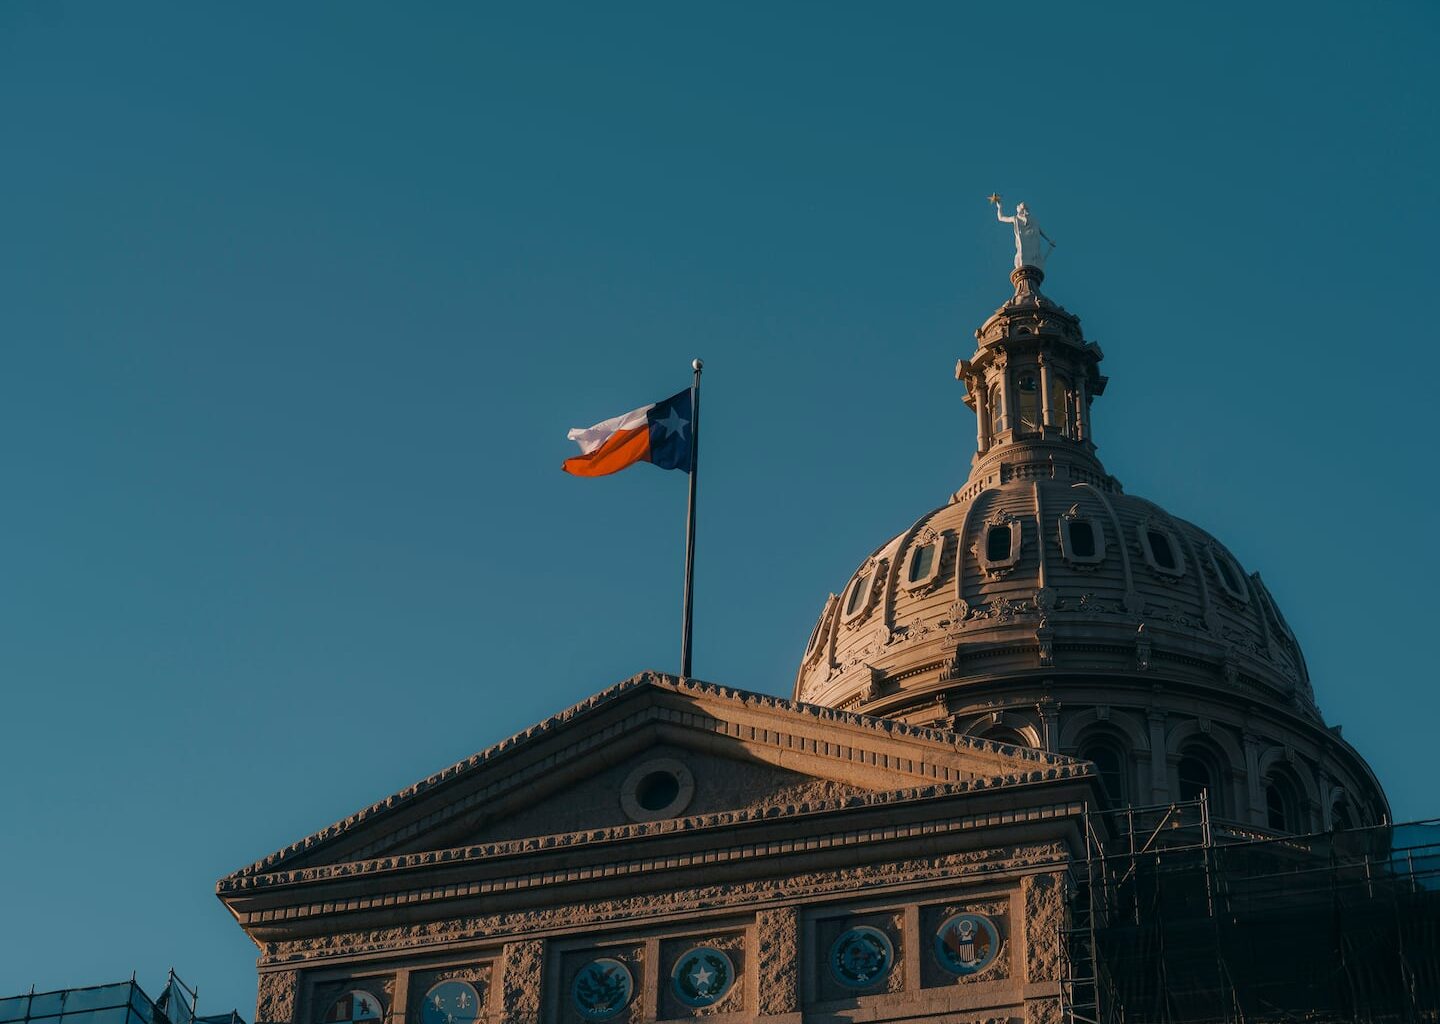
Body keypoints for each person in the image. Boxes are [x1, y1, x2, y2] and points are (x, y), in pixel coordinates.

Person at [993, 197, 1057, 269]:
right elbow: (1001, 218)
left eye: (1022, 208)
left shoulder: (1032, 220)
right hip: (1022, 241)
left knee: (1034, 256)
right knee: (1021, 255)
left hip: (1033, 241)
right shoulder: (1015, 218)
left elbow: (1039, 230)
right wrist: (999, 207)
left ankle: (1032, 267)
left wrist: (1049, 240)